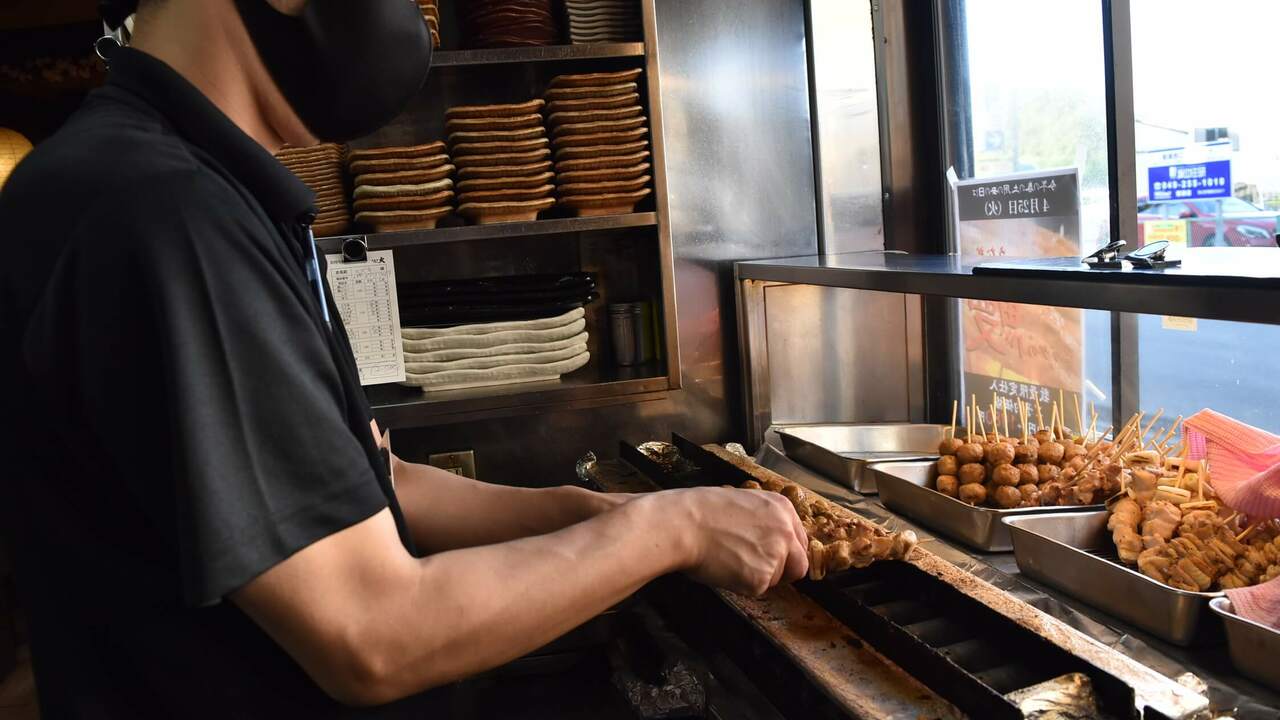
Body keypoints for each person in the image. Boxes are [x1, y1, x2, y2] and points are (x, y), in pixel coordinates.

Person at [0, 0, 809, 716]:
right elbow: (371, 632)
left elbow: (368, 485)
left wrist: (593, 516)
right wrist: (673, 529)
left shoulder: (199, 190)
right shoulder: (164, 214)